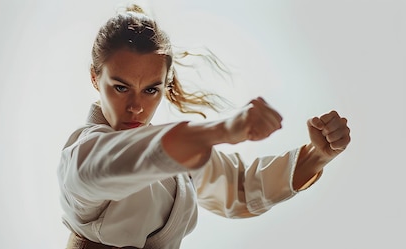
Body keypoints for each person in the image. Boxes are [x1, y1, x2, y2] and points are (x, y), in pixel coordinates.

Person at [57, 4, 351, 249]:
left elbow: (243, 191)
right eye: (121, 88)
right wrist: (221, 130)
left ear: (165, 85)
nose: (136, 106)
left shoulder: (178, 154)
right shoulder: (83, 155)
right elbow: (118, 163)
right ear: (96, 79)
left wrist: (318, 155)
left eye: (150, 90)